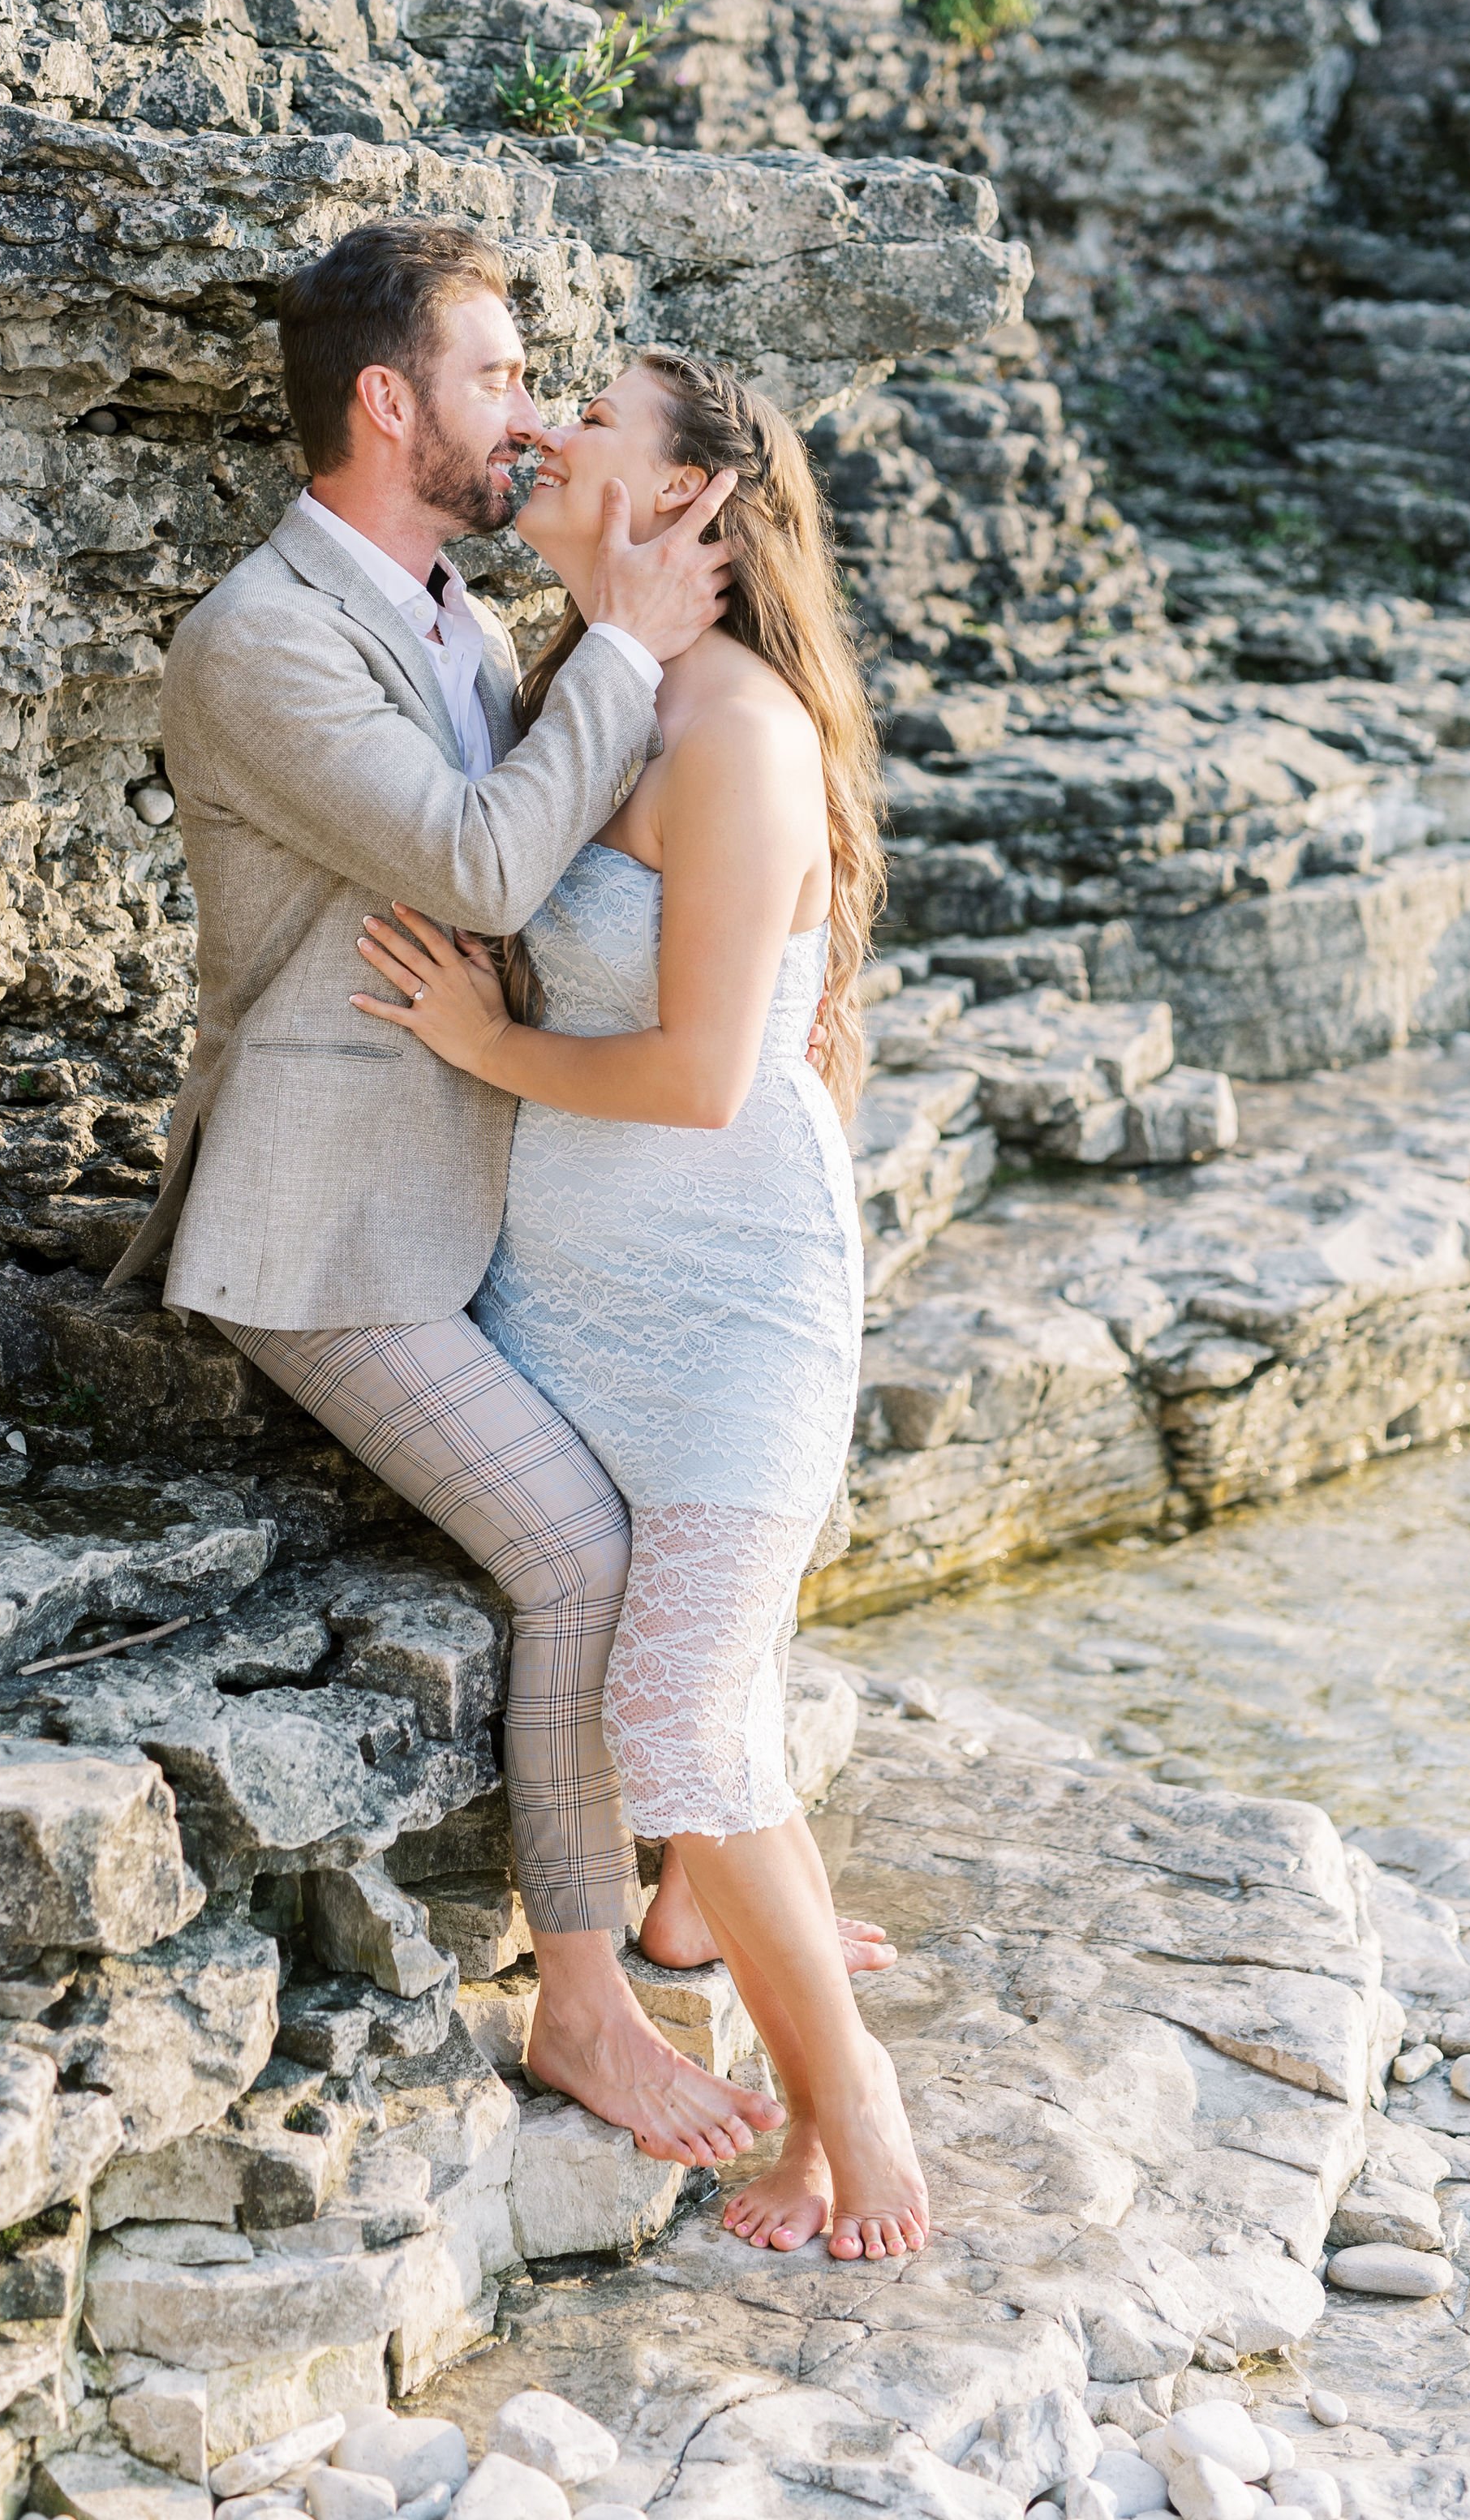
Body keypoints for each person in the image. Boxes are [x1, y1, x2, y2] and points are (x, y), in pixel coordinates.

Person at [108, 219, 784, 2170]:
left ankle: (712, 1892)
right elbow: (484, 867)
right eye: (497, 374)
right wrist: (641, 647)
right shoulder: (254, 639)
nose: (529, 410)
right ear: (386, 399)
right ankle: (578, 2011)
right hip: (322, 1232)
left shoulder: (461, 619)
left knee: (704, 1475)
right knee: (575, 1550)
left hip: (485, 1203)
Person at [350, 350, 931, 2260]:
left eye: (591, 415)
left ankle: (853, 2117)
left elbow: (700, 1077)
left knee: (681, 1703)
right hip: (554, 1293)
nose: (549, 430)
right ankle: (693, 1917)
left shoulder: (738, 732)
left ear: (687, 496)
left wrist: (478, 1041)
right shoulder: (609, 684)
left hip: (724, 1312)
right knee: (683, 1680)